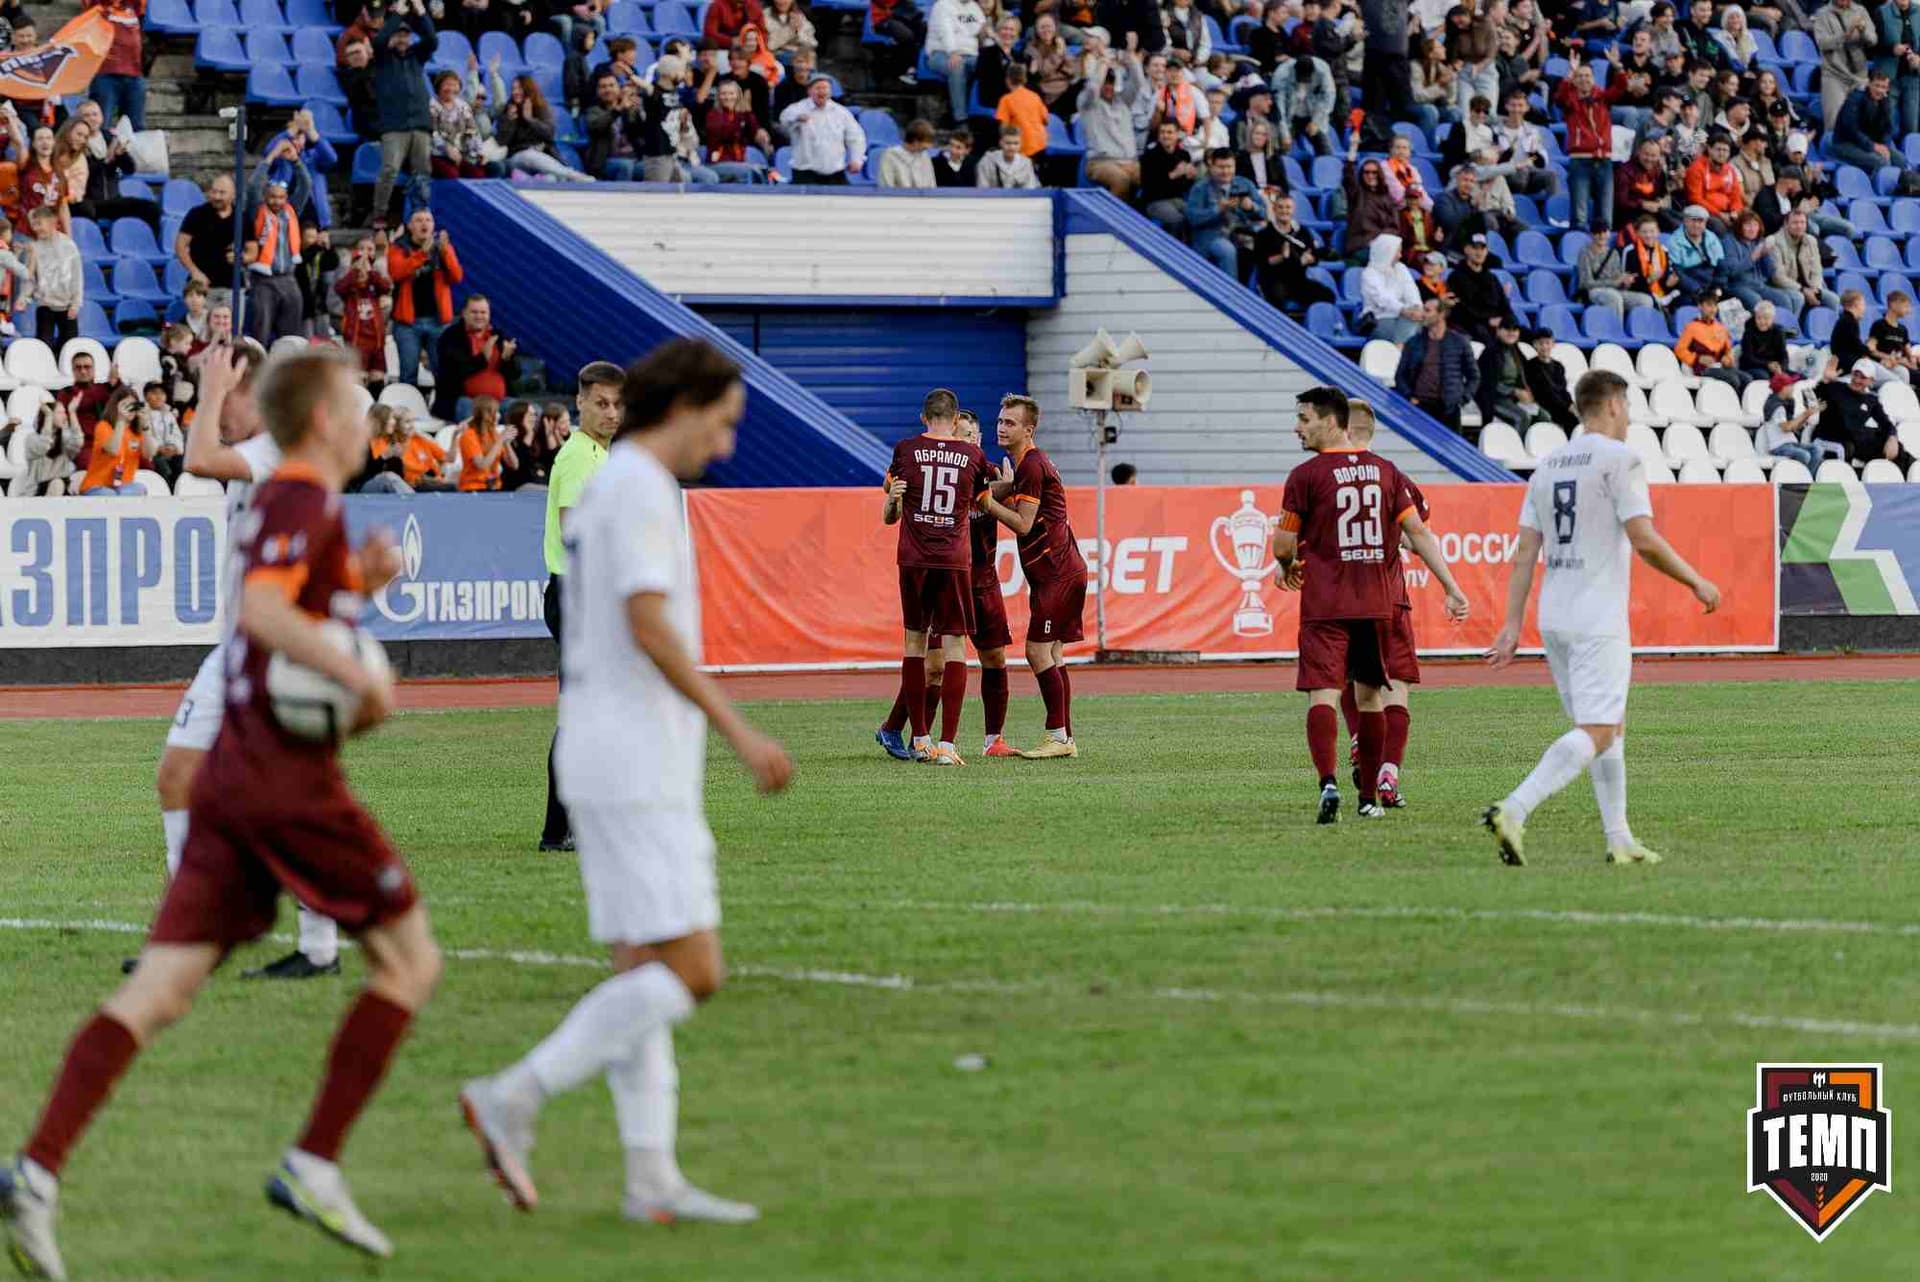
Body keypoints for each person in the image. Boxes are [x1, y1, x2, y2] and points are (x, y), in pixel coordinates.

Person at [0, 347, 439, 1280]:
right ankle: (314, 1160)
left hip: (238, 775)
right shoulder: (297, 493)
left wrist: (355, 586)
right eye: (360, 406)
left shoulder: (298, 503)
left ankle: (35, 1172)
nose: (372, 422)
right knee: (411, 960)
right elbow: (268, 615)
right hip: (286, 779)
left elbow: (286, 610)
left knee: (159, 990)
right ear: (324, 419)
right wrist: (359, 674)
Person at [458, 341, 789, 1227]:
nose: (724, 447)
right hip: (636, 760)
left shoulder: (622, 482)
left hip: (610, 754)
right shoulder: (637, 485)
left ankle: (650, 1177)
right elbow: (647, 622)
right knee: (694, 970)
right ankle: (511, 1095)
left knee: (643, 970)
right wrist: (738, 728)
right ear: (681, 408)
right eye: (721, 425)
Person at [1484, 369, 1723, 866]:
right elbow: (1643, 539)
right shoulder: (1621, 459)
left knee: (1606, 726)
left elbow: (1525, 552)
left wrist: (1511, 626)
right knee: (1597, 730)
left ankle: (1619, 838)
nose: (1631, 416)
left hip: (1556, 616)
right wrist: (1697, 580)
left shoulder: (1547, 464)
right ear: (1613, 404)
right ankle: (1515, 807)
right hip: (1598, 616)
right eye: (1629, 407)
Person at [1270, 385, 1468, 823]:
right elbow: (1419, 533)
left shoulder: (1304, 476)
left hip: (1326, 603)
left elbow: (1283, 542)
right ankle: (1369, 798)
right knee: (1374, 697)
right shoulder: (1387, 472)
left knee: (1323, 693)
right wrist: (1452, 586)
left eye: (1303, 420)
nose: (1297, 428)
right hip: (1380, 601)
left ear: (1331, 422)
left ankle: (1328, 782)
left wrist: (1286, 563)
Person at [874, 389, 996, 765]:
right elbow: (983, 501)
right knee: (957, 647)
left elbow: (891, 508)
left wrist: (895, 497)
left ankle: (921, 739)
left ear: (923, 417)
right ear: (956, 417)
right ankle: (948, 745)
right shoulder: (973, 455)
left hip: (913, 559)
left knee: (914, 644)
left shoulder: (905, 450)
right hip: (953, 559)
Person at [537, 361, 624, 853]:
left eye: (616, 404)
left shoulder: (598, 455)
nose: (610, 413)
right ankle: (557, 830)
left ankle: (577, 822)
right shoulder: (578, 458)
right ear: (580, 403)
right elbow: (575, 533)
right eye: (601, 403)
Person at [1336, 398, 1435, 808]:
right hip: (1390, 598)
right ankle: (1389, 774)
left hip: (1338, 600)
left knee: (1346, 683)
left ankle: (1360, 736)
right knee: (1397, 690)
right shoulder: (1394, 476)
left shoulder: (1324, 475)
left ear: (1339, 427)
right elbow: (1417, 533)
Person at [976, 394, 1088, 758]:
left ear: (1029, 429)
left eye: (1010, 422)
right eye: (1000, 421)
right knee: (1053, 654)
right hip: (1060, 571)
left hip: (1056, 572)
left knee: (1037, 651)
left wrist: (987, 504)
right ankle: (1064, 736)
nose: (1002, 427)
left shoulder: (1032, 465)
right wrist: (992, 493)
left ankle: (1057, 735)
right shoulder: (1029, 464)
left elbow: (1023, 525)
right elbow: (1018, 502)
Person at [371, 0, 439, 228]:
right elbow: (379, 41)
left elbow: (432, 40)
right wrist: (396, 16)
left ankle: (420, 212)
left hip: (420, 123)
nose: (402, 39)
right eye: (398, 35)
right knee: (389, 170)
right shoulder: (382, 58)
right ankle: (379, 214)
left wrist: (420, 11)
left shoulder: (416, 56)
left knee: (422, 172)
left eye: (405, 35)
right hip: (394, 124)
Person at [1555, 56, 1632, 232]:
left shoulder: (1602, 98)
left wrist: (1618, 66)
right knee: (1580, 216)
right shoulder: (1570, 100)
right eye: (1579, 76)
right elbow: (1559, 98)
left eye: (1587, 75)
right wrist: (1569, 75)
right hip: (1580, 161)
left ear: (1593, 78)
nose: (1584, 79)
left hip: (1604, 161)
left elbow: (1621, 87)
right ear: (1574, 80)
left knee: (1605, 216)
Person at [387, 210, 463, 388]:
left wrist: (446, 252)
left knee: (442, 371)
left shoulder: (443, 247)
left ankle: (440, 412)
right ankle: (409, 412)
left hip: (438, 321)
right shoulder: (399, 247)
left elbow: (457, 277)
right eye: (419, 220)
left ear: (433, 226)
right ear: (410, 226)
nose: (424, 224)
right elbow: (397, 272)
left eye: (428, 220)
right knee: (408, 373)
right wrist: (422, 254)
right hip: (407, 323)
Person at [1393, 298, 1480, 435]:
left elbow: (1473, 376)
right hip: (1420, 407)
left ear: (1441, 314)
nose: (1423, 314)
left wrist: (1462, 399)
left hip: (1449, 408)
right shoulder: (1413, 343)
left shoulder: (1459, 342)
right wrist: (1409, 396)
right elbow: (1400, 375)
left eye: (1427, 311)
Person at [432, 294, 521, 421]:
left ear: (489, 314)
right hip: (463, 400)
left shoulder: (498, 336)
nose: (479, 316)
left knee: (530, 411)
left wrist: (507, 359)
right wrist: (482, 358)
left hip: (499, 402)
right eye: (474, 312)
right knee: (473, 411)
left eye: (483, 312)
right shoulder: (451, 337)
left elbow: (515, 375)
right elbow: (454, 372)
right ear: (464, 313)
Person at [1816, 359, 1917, 466]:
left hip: (1856, 436)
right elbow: (1814, 394)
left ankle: (1909, 475)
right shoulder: (1835, 387)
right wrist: (1824, 381)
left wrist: (1892, 437)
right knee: (1852, 446)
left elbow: (1886, 423)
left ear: (1871, 381)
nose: (1857, 380)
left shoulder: (1871, 400)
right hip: (1832, 436)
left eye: (1863, 377)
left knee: (1895, 446)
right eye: (1855, 374)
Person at [244, 179, 307, 348]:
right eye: (272, 196)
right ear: (265, 196)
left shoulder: (292, 211)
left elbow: (305, 184)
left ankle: (288, 371)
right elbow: (253, 186)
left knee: (291, 336)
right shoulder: (256, 211)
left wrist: (296, 162)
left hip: (288, 278)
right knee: (260, 332)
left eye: (281, 197)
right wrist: (270, 158)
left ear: (286, 197)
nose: (277, 201)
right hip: (263, 279)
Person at [1185, 147, 1264, 277]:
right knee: (1227, 250)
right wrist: (1217, 210)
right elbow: (1192, 218)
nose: (1226, 171)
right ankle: (1231, 294)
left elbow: (1263, 213)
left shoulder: (1245, 184)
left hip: (1242, 234)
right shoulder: (1200, 188)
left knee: (1268, 246)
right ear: (1212, 167)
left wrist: (1251, 207)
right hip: (1211, 237)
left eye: (1229, 167)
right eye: (1221, 167)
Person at [1254, 193, 1333, 313]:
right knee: (1276, 298)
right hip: (1274, 280)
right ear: (1274, 209)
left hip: (1298, 280)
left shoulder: (1302, 232)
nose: (1284, 211)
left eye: (1288, 207)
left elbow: (1313, 255)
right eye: (1280, 207)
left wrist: (1311, 259)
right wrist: (1282, 257)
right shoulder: (1264, 234)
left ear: (1293, 210)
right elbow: (1262, 262)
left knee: (1327, 295)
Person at [780, 76, 866, 183]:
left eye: (825, 88)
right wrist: (797, 117)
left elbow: (856, 137)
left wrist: (856, 159)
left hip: (835, 172)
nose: (822, 91)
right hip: (805, 172)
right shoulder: (798, 108)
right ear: (809, 91)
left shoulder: (841, 112)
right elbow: (784, 118)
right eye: (818, 88)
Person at [1080, 56, 1142, 199]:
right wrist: (1103, 64)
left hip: (1129, 160)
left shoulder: (1124, 102)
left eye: (1111, 83)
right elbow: (1092, 88)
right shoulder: (1088, 103)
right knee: (1121, 180)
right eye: (1105, 83)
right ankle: (1114, 219)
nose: (1108, 87)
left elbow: (1138, 83)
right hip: (1100, 162)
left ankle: (1142, 217)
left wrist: (1131, 58)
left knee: (1152, 178)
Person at [174, 175, 240, 305]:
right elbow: (180, 246)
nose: (216, 196)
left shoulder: (241, 217)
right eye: (214, 191)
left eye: (222, 192)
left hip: (232, 286)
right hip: (203, 286)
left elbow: (252, 250)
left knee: (231, 324)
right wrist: (194, 272)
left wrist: (241, 256)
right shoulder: (196, 214)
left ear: (233, 194)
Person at [23, 203, 79, 349]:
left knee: (69, 347)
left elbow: (77, 277)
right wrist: (24, 296)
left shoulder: (69, 246)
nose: (36, 228)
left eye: (39, 224)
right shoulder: (34, 247)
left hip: (66, 306)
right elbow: (31, 278)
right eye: (34, 225)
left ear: (53, 222)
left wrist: (76, 303)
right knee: (43, 345)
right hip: (45, 305)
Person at [1814, 0, 1875, 131]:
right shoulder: (1822, 14)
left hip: (1859, 75)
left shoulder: (1860, 10)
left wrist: (1863, 31)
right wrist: (1845, 35)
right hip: (1834, 75)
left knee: (1863, 125)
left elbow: (1873, 40)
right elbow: (1822, 43)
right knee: (1834, 125)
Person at [1674, 288, 1750, 391]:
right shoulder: (1691, 327)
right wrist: (1697, 358)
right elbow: (1679, 350)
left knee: (1747, 379)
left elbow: (1728, 352)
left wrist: (1728, 359)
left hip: (1720, 366)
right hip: (1702, 368)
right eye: (1709, 305)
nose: (1713, 309)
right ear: (1700, 306)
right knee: (1733, 380)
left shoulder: (1721, 328)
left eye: (1715, 305)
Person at [927, 0, 988, 123]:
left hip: (970, 54)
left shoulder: (974, 7)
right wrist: (952, 52)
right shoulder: (942, 5)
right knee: (957, 66)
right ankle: (960, 118)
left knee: (988, 65)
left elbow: (981, 31)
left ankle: (985, 114)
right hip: (940, 53)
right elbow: (945, 31)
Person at [76, 386, 145, 495]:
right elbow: (113, 450)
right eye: (126, 405)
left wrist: (146, 427)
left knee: (140, 488)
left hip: (123, 487)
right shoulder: (103, 426)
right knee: (110, 495)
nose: (130, 409)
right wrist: (121, 420)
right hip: (97, 487)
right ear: (115, 406)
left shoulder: (137, 432)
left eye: (134, 406)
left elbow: (150, 454)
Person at [1447, 232, 1514, 343]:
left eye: (1483, 249)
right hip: (1473, 325)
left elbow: (1504, 305)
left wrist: (1508, 321)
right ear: (1466, 249)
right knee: (1486, 336)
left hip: (1497, 323)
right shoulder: (1456, 277)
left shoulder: (1492, 278)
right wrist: (1488, 321)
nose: (1479, 252)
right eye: (1475, 248)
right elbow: (1460, 311)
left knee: (1525, 334)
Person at [1832, 69, 1902, 173]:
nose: (1879, 90)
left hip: (1870, 142)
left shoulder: (1884, 101)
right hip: (1845, 143)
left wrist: (1884, 146)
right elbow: (1851, 130)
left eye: (1883, 87)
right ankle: (1876, 188)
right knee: (1882, 161)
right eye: (1877, 85)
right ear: (1869, 84)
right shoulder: (1854, 99)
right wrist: (1873, 146)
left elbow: (1888, 128)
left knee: (1901, 161)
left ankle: (1905, 186)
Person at [1360, 233, 1426, 341]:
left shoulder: (1401, 268)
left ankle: (1402, 350)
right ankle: (1402, 351)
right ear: (1387, 252)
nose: (1400, 255)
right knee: (1410, 327)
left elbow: (1411, 290)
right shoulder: (1369, 273)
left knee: (1420, 323)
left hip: (1406, 316)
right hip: (1380, 318)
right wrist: (1403, 310)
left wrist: (1416, 307)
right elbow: (1381, 299)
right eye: (1397, 252)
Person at [1139, 119, 1196, 233]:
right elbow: (1150, 187)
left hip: (1177, 199)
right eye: (1162, 132)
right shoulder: (1149, 156)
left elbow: (1184, 187)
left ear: (1177, 134)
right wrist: (1173, 174)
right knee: (1177, 220)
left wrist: (1190, 177)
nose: (1165, 136)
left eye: (1169, 132)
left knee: (1195, 216)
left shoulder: (1184, 155)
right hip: (1155, 201)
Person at [1876, 0, 1920, 138]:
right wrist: (1892, 49)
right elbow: (1871, 45)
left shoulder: (1919, 11)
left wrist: (1918, 58)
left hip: (1912, 77)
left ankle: (1909, 158)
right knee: (1886, 124)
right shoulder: (1881, 12)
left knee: (1911, 125)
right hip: (1888, 78)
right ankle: (1886, 156)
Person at [456, 396, 515, 491]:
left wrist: (506, 443)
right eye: (495, 412)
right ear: (485, 415)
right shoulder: (469, 435)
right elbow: (482, 465)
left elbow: (514, 464)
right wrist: (500, 440)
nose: (499, 416)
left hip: (494, 487)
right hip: (473, 488)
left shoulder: (494, 434)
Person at [1740, 298, 1791, 381]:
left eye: (1766, 318)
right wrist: (1767, 365)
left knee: (1797, 377)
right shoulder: (1749, 331)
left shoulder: (1778, 331)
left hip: (1773, 366)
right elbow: (1748, 357)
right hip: (1754, 366)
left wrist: (1781, 368)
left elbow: (1783, 354)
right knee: (1764, 377)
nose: (1762, 322)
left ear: (1772, 319)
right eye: (1759, 318)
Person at [878, 118, 938, 187]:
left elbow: (932, 186)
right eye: (926, 143)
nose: (929, 148)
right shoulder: (889, 155)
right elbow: (886, 186)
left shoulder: (925, 156)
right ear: (916, 142)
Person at [976, 124, 1041, 186]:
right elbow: (982, 189)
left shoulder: (1026, 163)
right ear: (1000, 143)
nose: (1012, 147)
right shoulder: (986, 162)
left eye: (1016, 143)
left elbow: (1029, 191)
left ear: (1020, 144)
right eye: (1008, 143)